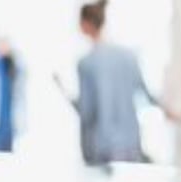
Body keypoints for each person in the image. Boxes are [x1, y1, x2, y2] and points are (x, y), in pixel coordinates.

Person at [63, 0, 161, 165]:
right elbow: (147, 97)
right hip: (131, 146)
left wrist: (64, 92)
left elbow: (86, 112)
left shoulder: (86, 63)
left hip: (101, 151)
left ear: (85, 25)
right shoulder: (129, 56)